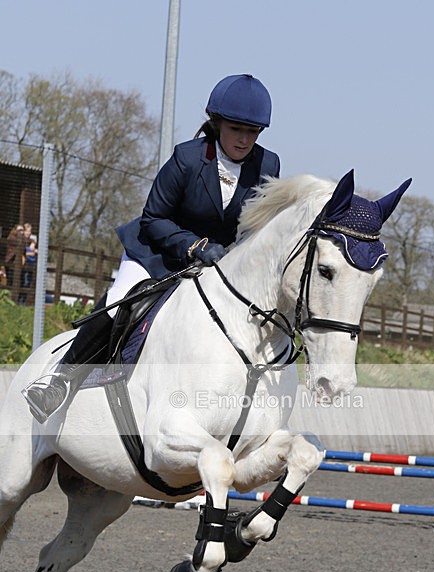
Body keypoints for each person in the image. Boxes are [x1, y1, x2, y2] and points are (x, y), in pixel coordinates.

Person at [23, 74, 280, 423]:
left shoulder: (267, 165)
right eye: (237, 129)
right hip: (158, 252)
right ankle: (59, 381)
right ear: (217, 123)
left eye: (253, 132)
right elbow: (153, 218)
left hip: (216, 263)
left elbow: (258, 225)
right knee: (120, 300)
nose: (245, 139)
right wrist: (196, 245)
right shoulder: (187, 159)